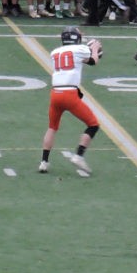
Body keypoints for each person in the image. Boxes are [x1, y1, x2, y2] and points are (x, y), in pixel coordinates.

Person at [39, 27, 102, 174]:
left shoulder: (54, 52)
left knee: (52, 127)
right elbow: (93, 61)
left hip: (55, 93)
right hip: (69, 94)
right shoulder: (79, 48)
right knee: (93, 125)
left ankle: (44, 162)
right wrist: (95, 48)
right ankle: (79, 155)